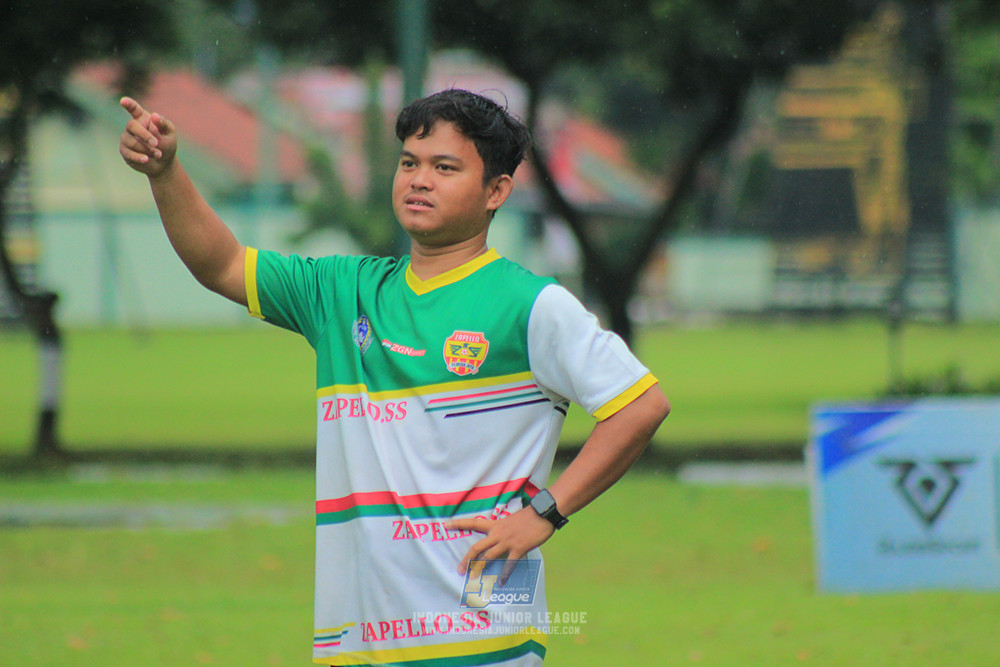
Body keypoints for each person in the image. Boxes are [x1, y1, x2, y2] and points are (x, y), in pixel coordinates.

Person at [119, 88, 669, 666]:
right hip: (358, 640)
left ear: (496, 192)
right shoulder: (341, 292)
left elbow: (640, 405)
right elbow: (223, 264)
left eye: (445, 167)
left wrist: (545, 514)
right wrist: (166, 172)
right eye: (409, 162)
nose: (419, 179)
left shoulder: (530, 303)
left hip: (482, 639)